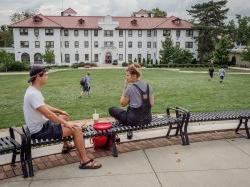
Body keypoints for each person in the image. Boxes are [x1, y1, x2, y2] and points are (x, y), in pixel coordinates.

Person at [23, 66, 101, 169]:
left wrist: (60, 111)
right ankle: (84, 161)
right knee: (76, 129)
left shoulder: (33, 90)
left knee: (64, 116)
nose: (47, 76)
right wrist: (68, 124)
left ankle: (66, 146)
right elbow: (49, 115)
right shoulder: (33, 94)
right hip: (40, 130)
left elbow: (43, 106)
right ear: (38, 77)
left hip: (41, 125)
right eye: (45, 75)